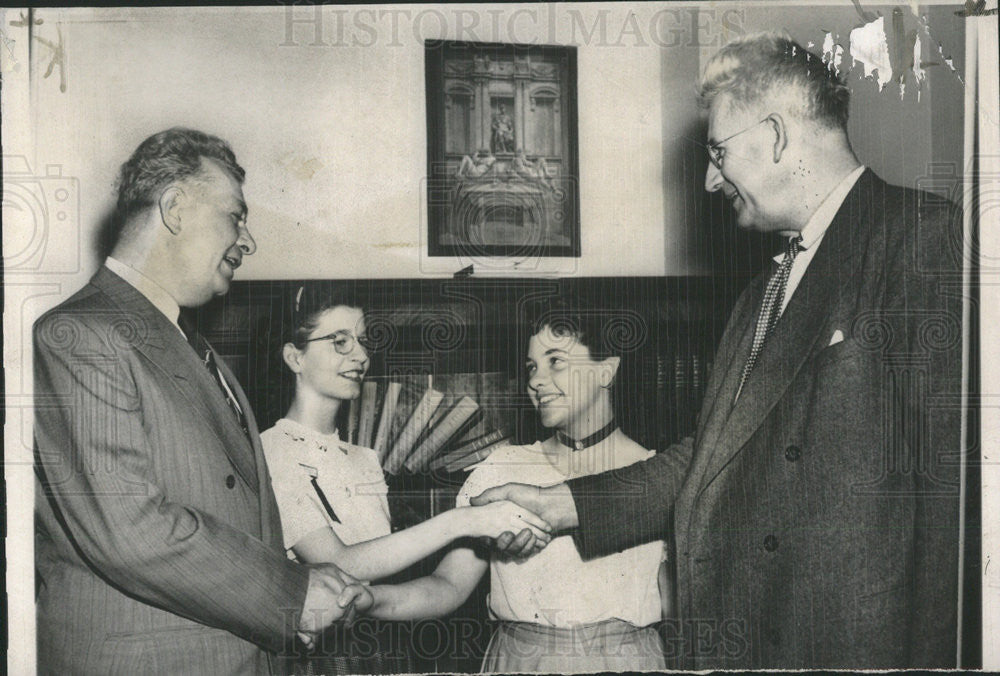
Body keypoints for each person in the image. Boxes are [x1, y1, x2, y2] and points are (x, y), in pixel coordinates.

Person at [472, 33, 964, 669]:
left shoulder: (921, 239)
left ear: (778, 134)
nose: (709, 179)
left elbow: (953, 505)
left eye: (718, 152)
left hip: (848, 645)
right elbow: (711, 456)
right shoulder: (761, 293)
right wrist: (560, 503)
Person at [33, 128, 365, 675]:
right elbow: (131, 531)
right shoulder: (78, 336)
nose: (248, 240)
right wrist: (292, 595)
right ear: (175, 207)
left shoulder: (193, 347)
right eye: (235, 216)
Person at [347, 299, 670, 673]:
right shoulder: (500, 470)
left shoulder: (656, 475)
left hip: (629, 664)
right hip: (519, 662)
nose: (535, 379)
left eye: (556, 362)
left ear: (605, 371)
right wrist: (370, 599)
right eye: (532, 366)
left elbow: (685, 604)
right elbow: (447, 587)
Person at [260, 286, 551, 673]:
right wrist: (465, 520)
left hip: (383, 648)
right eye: (339, 342)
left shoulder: (364, 459)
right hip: (318, 659)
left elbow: (387, 576)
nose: (361, 355)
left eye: (362, 341)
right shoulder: (271, 450)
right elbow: (339, 562)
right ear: (294, 356)